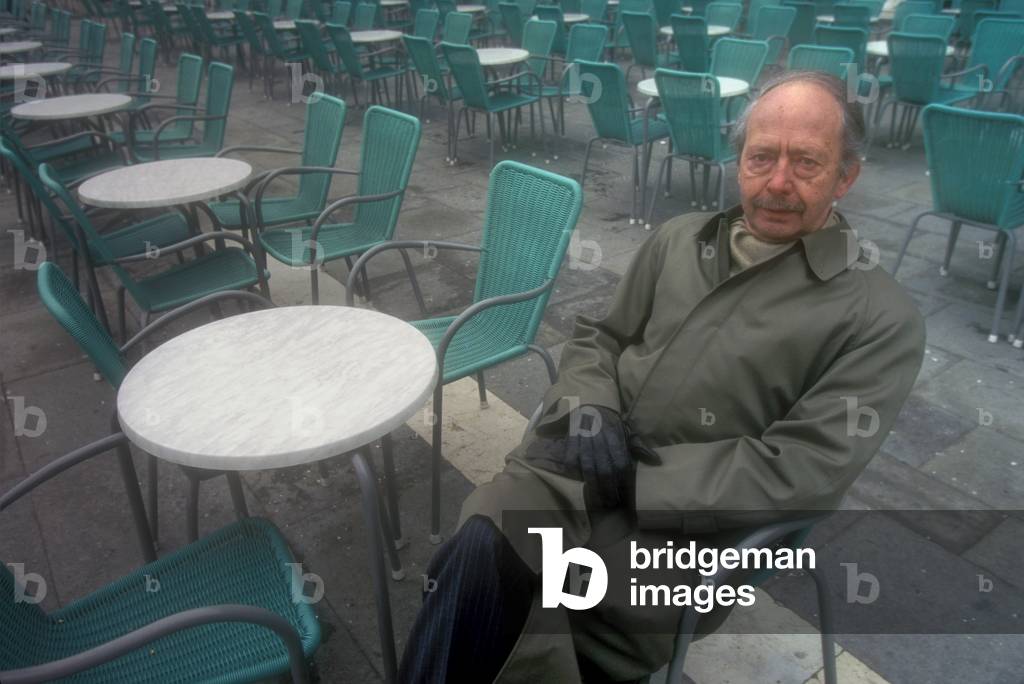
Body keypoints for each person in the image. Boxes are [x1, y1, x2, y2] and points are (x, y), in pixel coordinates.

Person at [398, 70, 926, 683]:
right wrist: (590, 404)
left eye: (806, 162)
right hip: (576, 470)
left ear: (846, 176)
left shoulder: (878, 317)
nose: (778, 182)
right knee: (481, 543)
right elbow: (602, 334)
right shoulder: (680, 240)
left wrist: (643, 482)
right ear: (739, 161)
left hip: (693, 536)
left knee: (553, 616)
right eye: (761, 158)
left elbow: (804, 468)